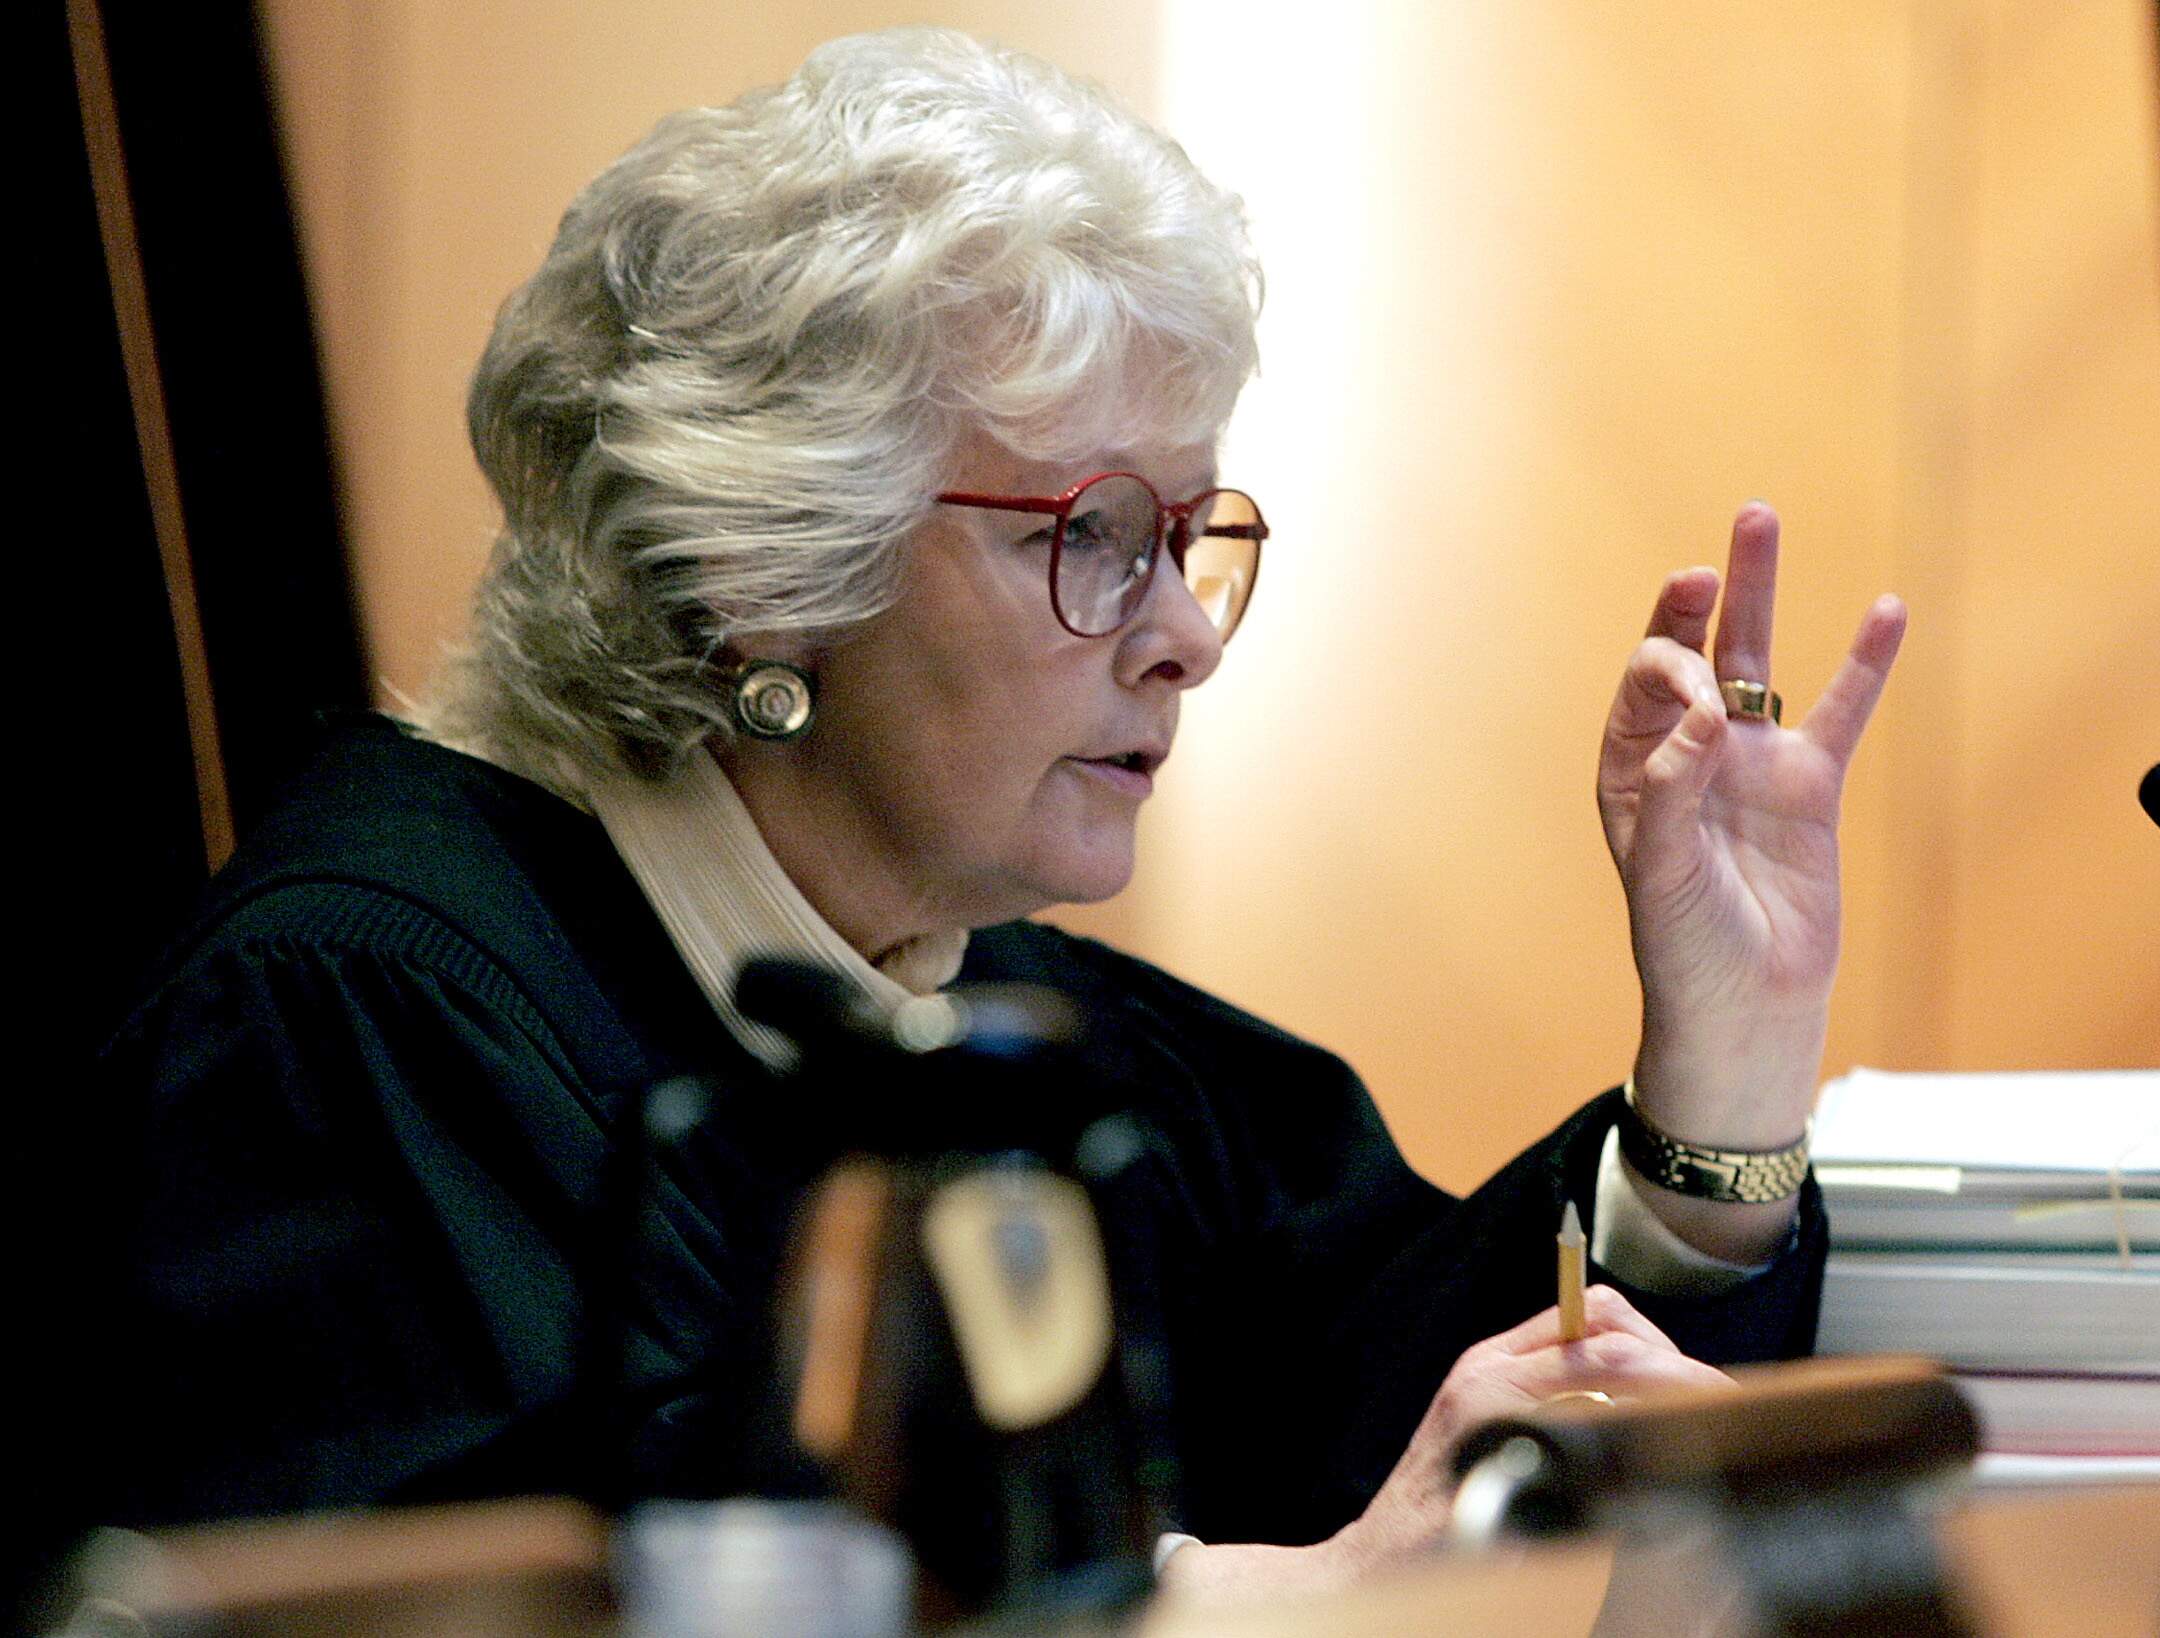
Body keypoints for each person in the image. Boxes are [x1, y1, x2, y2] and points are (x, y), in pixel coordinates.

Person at [102, 25, 1905, 1597]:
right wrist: (1279, 1602)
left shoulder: (1004, 1011)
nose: (1187, 638)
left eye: (1192, 535)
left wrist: (1725, 1059)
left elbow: (1388, 1415)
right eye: (1096, 536)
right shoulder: (358, 1021)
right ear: (763, 565)